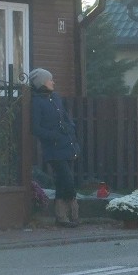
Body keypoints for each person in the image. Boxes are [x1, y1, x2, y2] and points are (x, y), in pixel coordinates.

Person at [30, 68, 81, 228]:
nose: (53, 82)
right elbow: (36, 128)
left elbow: (65, 116)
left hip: (67, 145)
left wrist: (70, 127)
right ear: (42, 83)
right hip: (53, 148)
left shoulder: (56, 97)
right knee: (67, 180)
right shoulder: (36, 102)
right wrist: (54, 135)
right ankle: (71, 213)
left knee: (62, 181)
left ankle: (63, 217)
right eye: (49, 79)